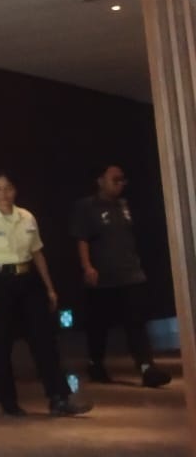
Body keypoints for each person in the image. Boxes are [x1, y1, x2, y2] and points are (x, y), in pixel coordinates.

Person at [0, 173, 91, 417]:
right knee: (1, 343)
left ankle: (59, 397)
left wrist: (50, 288)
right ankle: (7, 400)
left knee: (44, 339)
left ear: (15, 190)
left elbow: (37, 254)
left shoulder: (26, 217)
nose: (3, 194)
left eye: (8, 188)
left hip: (28, 279)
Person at [71, 164, 172, 387]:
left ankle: (146, 367)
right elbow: (82, 239)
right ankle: (96, 363)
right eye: (114, 179)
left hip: (130, 273)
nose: (119, 184)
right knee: (99, 325)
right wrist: (87, 267)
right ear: (100, 181)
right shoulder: (87, 206)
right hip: (103, 277)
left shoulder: (125, 204)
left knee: (136, 322)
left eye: (122, 180)